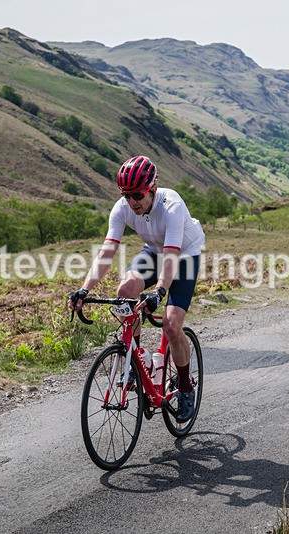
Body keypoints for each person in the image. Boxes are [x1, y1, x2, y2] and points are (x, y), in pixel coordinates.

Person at [67, 156, 205, 423]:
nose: (132, 201)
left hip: (183, 255)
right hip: (153, 252)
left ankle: (186, 387)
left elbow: (171, 256)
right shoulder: (122, 209)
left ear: (153, 188)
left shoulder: (172, 205)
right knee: (126, 289)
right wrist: (84, 289)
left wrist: (160, 292)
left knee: (172, 325)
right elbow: (107, 253)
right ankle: (136, 357)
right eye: (127, 195)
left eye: (138, 194)